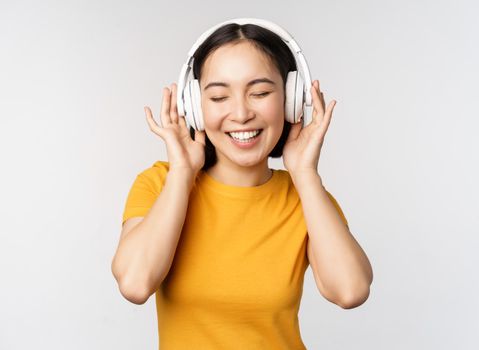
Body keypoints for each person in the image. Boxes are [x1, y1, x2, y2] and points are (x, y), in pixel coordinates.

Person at [111, 18, 373, 349]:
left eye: (260, 92)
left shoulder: (306, 198)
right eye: (219, 97)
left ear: (291, 100)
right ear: (194, 107)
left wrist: (305, 173)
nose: (241, 113)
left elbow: (350, 291)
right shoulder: (161, 183)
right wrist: (182, 170)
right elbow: (135, 283)